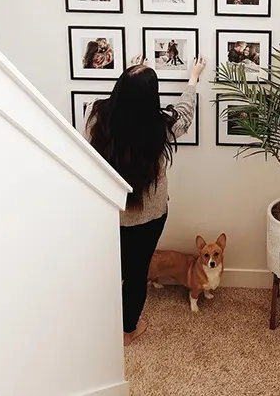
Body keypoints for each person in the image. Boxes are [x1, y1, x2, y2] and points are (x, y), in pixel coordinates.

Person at [85, 54, 207, 346]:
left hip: (109, 213)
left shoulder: (96, 116)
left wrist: (133, 75)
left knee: (112, 268)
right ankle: (127, 331)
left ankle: (101, 322)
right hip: (148, 216)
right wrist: (193, 78)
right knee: (137, 272)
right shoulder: (160, 126)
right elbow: (184, 113)